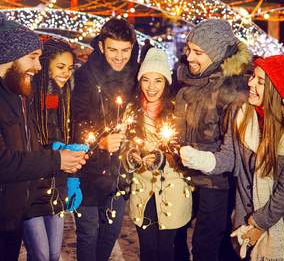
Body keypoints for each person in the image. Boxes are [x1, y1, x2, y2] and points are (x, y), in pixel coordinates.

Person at [180, 55, 284, 261]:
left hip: (281, 227)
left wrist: (259, 224)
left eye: (260, 81)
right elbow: (229, 157)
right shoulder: (242, 115)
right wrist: (201, 159)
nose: (250, 83)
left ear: (276, 91)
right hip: (243, 222)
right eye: (252, 77)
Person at [0, 13, 87, 261]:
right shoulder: (24, 94)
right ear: (9, 56)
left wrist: (69, 167)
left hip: (18, 208)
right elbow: (6, 160)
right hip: (23, 201)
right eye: (33, 58)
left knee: (51, 254)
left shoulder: (18, 93)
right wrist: (56, 157)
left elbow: (26, 146)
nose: (37, 67)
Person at [174, 19, 251, 261]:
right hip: (186, 174)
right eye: (189, 49)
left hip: (216, 182)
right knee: (175, 233)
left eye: (198, 52)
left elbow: (234, 149)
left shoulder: (231, 88)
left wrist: (199, 156)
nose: (189, 57)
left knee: (206, 244)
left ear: (217, 54)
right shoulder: (189, 82)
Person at [72, 17, 139, 261]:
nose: (120, 57)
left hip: (119, 172)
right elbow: (77, 122)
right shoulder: (85, 76)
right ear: (101, 46)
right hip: (87, 170)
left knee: (111, 232)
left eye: (125, 50)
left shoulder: (136, 74)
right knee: (89, 233)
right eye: (113, 50)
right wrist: (100, 142)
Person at [124, 48, 192, 261]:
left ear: (166, 83)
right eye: (146, 80)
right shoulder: (131, 110)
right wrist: (131, 155)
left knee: (167, 251)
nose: (151, 87)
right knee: (147, 250)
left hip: (172, 190)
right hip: (142, 191)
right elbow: (124, 146)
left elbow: (186, 152)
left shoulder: (178, 111)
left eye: (158, 81)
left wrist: (162, 158)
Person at [23, 38, 76, 261]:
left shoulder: (63, 96)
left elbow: (61, 135)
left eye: (70, 68)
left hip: (55, 186)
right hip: (30, 190)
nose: (66, 73)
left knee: (53, 254)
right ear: (45, 66)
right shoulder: (28, 97)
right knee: (41, 254)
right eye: (61, 67)